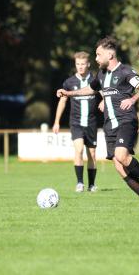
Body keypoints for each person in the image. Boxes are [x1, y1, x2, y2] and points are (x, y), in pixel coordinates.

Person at [57, 37, 139, 207]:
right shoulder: (101, 74)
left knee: (121, 156)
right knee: (119, 166)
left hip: (126, 120)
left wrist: (132, 100)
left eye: (98, 54)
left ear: (110, 54)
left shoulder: (126, 71)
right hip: (109, 125)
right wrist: (68, 93)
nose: (95, 59)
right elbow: (90, 88)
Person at [52, 51, 99, 192]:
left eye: (83, 64)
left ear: (88, 64)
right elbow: (63, 101)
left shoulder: (96, 80)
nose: (80, 67)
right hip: (76, 122)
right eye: (77, 64)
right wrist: (56, 122)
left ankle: (91, 184)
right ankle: (80, 183)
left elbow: (104, 94)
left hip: (91, 122)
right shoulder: (69, 82)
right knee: (78, 150)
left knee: (92, 154)